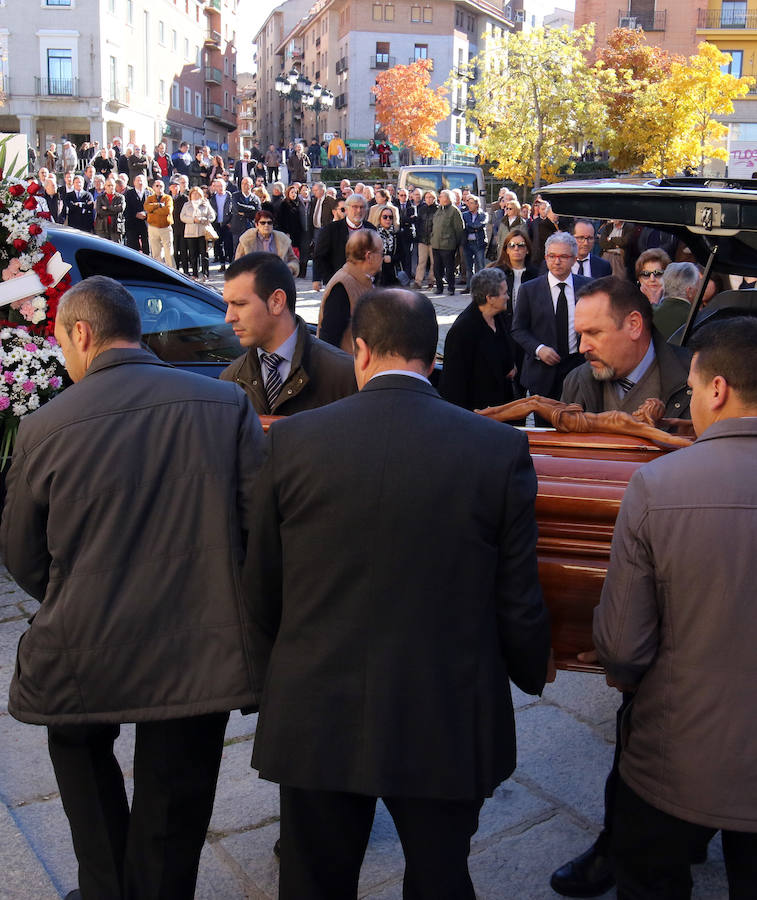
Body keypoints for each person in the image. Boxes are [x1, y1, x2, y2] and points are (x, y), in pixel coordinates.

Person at [245, 286, 551, 900]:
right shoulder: (496, 448)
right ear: (432, 357)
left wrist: (275, 673)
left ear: (359, 351)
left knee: (313, 878)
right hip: (444, 706)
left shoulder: (293, 442)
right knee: (440, 876)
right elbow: (517, 594)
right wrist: (529, 669)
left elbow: (262, 583)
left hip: (317, 703)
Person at [1, 276, 264, 900]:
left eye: (62, 341)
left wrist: (69, 591)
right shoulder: (224, 405)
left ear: (82, 334)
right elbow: (259, 530)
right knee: (176, 792)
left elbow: (20, 552)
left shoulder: (44, 427)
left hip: (82, 640)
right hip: (199, 645)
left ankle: (106, 888)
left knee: (77, 744)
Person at [593, 316, 757, 899]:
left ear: (718, 390)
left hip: (675, 754)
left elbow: (622, 645)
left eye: (691, 386)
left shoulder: (658, 486)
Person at [550, 274, 692, 899]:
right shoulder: (580, 385)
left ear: (636, 326)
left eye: (592, 332)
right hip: (619, 575)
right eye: (579, 332)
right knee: (637, 722)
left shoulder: (697, 380)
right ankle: (622, 841)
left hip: (692, 576)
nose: (581, 345)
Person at [220, 252, 356, 415]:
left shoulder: (343, 375)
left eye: (239, 304)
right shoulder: (230, 380)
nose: (229, 317)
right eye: (228, 305)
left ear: (277, 301)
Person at [511, 232, 591, 409]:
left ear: (574, 259)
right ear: (545, 257)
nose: (557, 261)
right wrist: (539, 349)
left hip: (577, 367)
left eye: (563, 256)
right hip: (542, 372)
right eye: (552, 256)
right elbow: (518, 329)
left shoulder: (588, 287)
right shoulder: (529, 290)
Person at [439, 267, 516, 411]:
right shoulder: (462, 331)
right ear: (490, 298)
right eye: (504, 293)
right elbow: (453, 385)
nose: (508, 297)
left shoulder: (498, 316)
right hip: (476, 414)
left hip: (501, 405)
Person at [318, 229, 383, 350]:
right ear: (369, 256)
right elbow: (328, 342)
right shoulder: (342, 285)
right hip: (347, 367)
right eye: (381, 253)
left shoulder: (365, 280)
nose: (382, 258)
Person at [314, 194, 377, 285]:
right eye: (355, 207)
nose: (359, 210)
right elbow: (320, 255)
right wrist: (321, 278)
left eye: (362, 207)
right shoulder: (332, 229)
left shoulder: (371, 229)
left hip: (365, 281)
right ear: (346, 209)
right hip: (339, 280)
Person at [235, 210, 299, 277]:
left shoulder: (283, 240)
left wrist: (290, 269)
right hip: (254, 280)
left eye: (269, 223)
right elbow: (237, 263)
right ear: (256, 225)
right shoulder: (246, 240)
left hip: (278, 279)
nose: (266, 225)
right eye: (263, 223)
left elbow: (293, 259)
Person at [653, 261, 701, 339]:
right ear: (689, 291)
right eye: (698, 286)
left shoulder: (647, 313)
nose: (699, 290)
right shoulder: (697, 319)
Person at [180, 185, 216, 281]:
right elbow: (182, 217)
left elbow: (212, 216)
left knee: (204, 254)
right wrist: (193, 220)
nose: (195, 195)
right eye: (194, 194)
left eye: (198, 194)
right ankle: (195, 273)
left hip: (202, 232)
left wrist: (204, 219)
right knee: (193, 254)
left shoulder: (205, 204)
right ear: (190, 195)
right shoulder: (186, 205)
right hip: (190, 233)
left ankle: (205, 273)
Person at [144, 178, 174, 268]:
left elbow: (167, 210)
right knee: (156, 252)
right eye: (157, 186)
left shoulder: (168, 198)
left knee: (169, 251)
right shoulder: (150, 198)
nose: (159, 188)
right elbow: (147, 208)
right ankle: (159, 270)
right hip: (153, 227)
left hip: (165, 227)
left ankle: (172, 271)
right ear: (153, 187)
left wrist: (153, 211)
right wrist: (159, 205)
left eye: (161, 186)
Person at [229, 176, 261, 256]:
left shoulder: (256, 198)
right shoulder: (235, 196)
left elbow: (257, 213)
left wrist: (245, 213)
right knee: (237, 251)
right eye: (242, 183)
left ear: (251, 186)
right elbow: (237, 208)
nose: (243, 185)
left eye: (246, 183)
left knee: (252, 251)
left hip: (251, 227)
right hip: (238, 228)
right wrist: (252, 208)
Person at [462, 195, 488, 291]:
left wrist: (471, 226)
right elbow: (465, 227)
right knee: (469, 267)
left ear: (477, 204)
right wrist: (474, 227)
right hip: (467, 243)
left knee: (480, 266)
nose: (469, 205)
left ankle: (482, 287)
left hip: (479, 243)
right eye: (468, 202)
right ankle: (469, 287)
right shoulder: (464, 215)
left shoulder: (483, 215)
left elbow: (480, 225)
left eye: (472, 203)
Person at [413, 190, 438, 289]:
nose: (429, 199)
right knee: (421, 261)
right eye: (427, 197)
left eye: (431, 197)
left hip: (433, 239)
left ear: (434, 198)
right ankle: (418, 281)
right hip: (422, 239)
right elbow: (418, 223)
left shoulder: (438, 209)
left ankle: (432, 280)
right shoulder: (422, 209)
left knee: (433, 262)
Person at [210, 178, 234, 272]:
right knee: (218, 245)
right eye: (218, 186)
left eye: (222, 186)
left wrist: (230, 222)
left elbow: (233, 211)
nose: (220, 188)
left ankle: (231, 264)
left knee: (229, 245)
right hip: (216, 224)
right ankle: (222, 263)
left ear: (225, 186)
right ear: (215, 187)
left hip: (227, 224)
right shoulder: (212, 198)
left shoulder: (230, 197)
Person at [169, 176, 190, 275]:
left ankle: (185, 271)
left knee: (183, 250)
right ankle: (175, 271)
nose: (175, 188)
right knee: (174, 250)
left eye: (177, 186)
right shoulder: (167, 198)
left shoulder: (184, 198)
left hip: (182, 227)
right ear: (170, 188)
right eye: (173, 186)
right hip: (171, 228)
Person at [124, 174, 151, 254]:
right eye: (138, 180)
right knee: (133, 248)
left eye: (142, 181)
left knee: (146, 246)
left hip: (145, 223)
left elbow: (152, 207)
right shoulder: (128, 194)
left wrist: (145, 213)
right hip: (132, 224)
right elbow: (126, 208)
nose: (140, 182)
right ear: (134, 182)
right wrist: (135, 214)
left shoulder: (149, 194)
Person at [374, 207, 401, 286]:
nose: (388, 219)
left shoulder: (396, 234)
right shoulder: (374, 234)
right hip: (378, 273)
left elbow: (402, 254)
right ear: (379, 218)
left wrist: (391, 258)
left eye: (390, 217)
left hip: (393, 273)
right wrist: (382, 258)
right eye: (385, 217)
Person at [94, 177, 126, 243]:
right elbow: (99, 210)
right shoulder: (100, 198)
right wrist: (113, 209)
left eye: (112, 185)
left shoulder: (120, 197)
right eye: (109, 185)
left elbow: (120, 208)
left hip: (116, 227)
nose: (111, 187)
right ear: (105, 186)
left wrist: (107, 208)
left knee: (117, 248)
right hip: (102, 227)